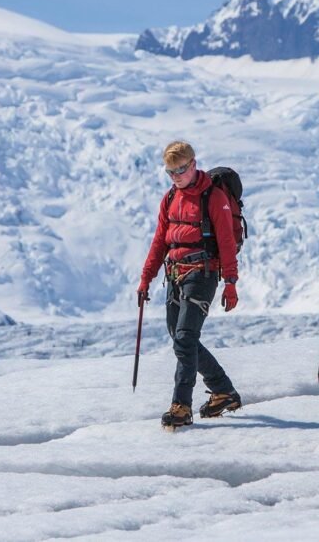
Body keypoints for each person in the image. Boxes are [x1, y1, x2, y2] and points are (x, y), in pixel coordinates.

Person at [138, 141, 242, 429]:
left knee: (184, 337)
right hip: (175, 274)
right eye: (170, 172)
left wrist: (230, 282)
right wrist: (146, 278)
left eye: (181, 170)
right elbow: (160, 241)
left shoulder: (214, 197)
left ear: (193, 164)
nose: (176, 177)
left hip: (202, 273)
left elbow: (226, 242)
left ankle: (181, 406)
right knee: (182, 338)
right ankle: (223, 390)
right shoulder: (170, 197)